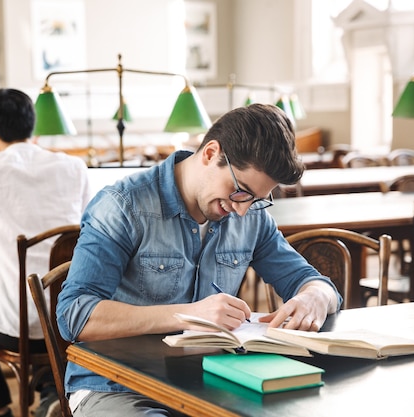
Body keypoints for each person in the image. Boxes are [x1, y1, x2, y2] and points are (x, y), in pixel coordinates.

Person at [56, 103, 342, 416]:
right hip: (116, 387)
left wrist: (316, 295)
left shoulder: (250, 218)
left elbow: (310, 281)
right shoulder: (123, 205)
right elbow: (75, 315)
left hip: (211, 383)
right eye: (240, 191)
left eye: (257, 200)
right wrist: (188, 316)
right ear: (210, 153)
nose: (242, 210)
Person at [0, 88, 90, 417]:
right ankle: (52, 393)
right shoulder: (74, 167)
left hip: (15, 329)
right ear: (32, 126)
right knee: (50, 329)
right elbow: (86, 229)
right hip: (71, 321)